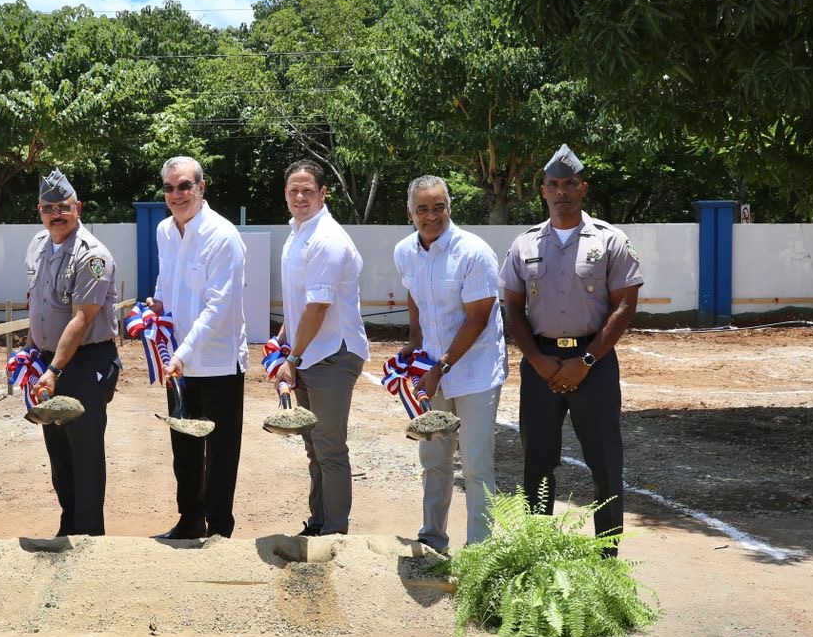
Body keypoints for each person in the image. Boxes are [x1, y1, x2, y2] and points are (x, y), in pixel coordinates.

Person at [500, 145, 644, 553]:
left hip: (593, 363)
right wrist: (536, 359)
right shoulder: (523, 245)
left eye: (569, 184)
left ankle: (607, 562)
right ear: (542, 190)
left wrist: (585, 361)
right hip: (540, 363)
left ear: (584, 188)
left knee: (605, 464)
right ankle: (537, 557)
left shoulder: (610, 241)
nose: (561, 190)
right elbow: (512, 307)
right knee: (537, 464)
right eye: (553, 184)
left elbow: (625, 306)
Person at [394, 175, 508, 554]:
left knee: (476, 465)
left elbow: (477, 317)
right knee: (434, 460)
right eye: (422, 208)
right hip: (432, 370)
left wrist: (440, 366)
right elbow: (415, 297)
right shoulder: (405, 251)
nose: (431, 216)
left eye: (438, 206)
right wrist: (414, 342)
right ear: (410, 213)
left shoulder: (474, 252)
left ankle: (480, 553)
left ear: (450, 208)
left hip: (475, 372)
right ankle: (432, 541)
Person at [147, 156, 248, 540]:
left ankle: (220, 529)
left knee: (220, 453)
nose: (177, 194)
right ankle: (190, 519)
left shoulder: (223, 236)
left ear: (201, 188)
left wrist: (181, 354)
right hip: (179, 365)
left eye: (185, 186)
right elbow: (165, 280)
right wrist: (155, 306)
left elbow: (218, 308)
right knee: (184, 449)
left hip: (218, 363)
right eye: (170, 188)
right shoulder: (164, 231)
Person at [272, 160, 370, 537]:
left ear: (323, 193)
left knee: (329, 447)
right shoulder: (297, 232)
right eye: (293, 190)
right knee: (314, 445)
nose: (300, 197)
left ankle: (335, 532)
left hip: (331, 353)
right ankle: (318, 524)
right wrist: (284, 336)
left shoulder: (326, 238)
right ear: (285, 193)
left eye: (308, 190)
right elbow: (300, 301)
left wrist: (292, 359)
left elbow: (318, 305)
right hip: (311, 350)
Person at [25, 168, 122, 536]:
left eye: (64, 207)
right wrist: (31, 354)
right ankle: (69, 526)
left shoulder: (93, 255)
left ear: (77, 207)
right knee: (58, 449)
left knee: (84, 450)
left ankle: (88, 534)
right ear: (40, 212)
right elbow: (38, 304)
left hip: (84, 363)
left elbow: (82, 319)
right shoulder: (37, 245)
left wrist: (52, 370)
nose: (57, 214)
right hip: (49, 362)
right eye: (49, 208)